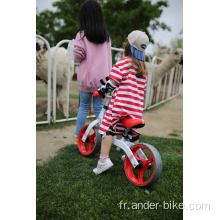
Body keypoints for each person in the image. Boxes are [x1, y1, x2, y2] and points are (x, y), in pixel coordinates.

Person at [93, 30, 149, 174]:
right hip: (135, 110)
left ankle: (103, 161)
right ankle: (138, 155)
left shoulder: (124, 63)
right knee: (132, 133)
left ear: (127, 46)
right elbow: (141, 89)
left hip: (121, 107)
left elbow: (112, 83)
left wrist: (100, 91)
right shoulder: (143, 68)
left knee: (106, 127)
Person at [73, 0, 112, 144]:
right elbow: (108, 59)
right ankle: (102, 138)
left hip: (86, 79)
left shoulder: (82, 34)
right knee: (98, 109)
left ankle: (78, 137)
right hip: (102, 80)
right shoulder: (106, 37)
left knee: (83, 107)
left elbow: (78, 56)